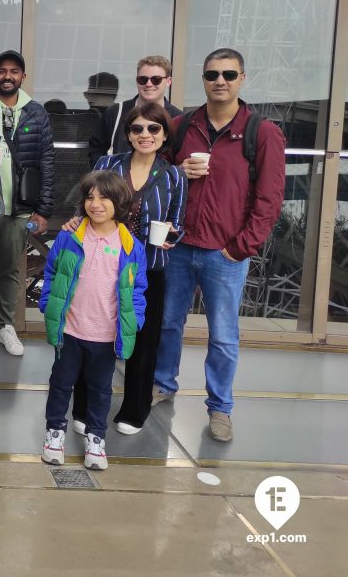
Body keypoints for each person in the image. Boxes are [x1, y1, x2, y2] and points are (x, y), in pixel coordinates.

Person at [153, 48, 285, 442]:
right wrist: (176, 169)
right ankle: (162, 384)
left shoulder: (262, 132)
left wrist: (241, 247)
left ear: (242, 78)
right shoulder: (180, 125)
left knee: (224, 335)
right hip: (178, 246)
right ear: (203, 78)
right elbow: (153, 174)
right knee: (167, 324)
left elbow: (269, 199)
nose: (220, 81)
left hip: (224, 253)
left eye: (229, 74)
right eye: (212, 74)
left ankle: (220, 408)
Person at [67, 103, 187, 435]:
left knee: (144, 340)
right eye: (138, 129)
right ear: (128, 134)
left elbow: (179, 222)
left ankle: (135, 409)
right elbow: (87, 207)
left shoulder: (174, 175)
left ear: (164, 135)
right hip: (102, 265)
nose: (145, 135)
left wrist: (172, 235)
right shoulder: (108, 164)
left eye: (153, 129)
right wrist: (77, 221)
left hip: (150, 267)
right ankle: (83, 406)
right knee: (94, 336)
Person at [40, 171, 147, 471]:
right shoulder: (69, 237)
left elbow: (138, 290)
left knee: (101, 390)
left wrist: (134, 321)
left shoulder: (130, 246)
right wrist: (48, 305)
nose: (96, 204)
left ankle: (96, 438)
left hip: (105, 335)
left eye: (104, 198)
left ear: (120, 203)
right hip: (70, 331)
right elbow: (51, 273)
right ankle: (54, 433)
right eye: (90, 197)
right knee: (61, 384)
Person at [0, 50, 54, 356]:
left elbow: (46, 161)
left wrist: (42, 209)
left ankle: (6, 326)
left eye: (14, 71)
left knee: (9, 270)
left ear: (23, 77)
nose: (8, 76)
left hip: (18, 207)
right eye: (2, 71)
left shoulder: (36, 112)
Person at [87, 55, 183, 168]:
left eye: (156, 79)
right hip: (117, 183)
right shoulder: (116, 112)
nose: (148, 84)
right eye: (143, 79)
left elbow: (180, 156)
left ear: (168, 81)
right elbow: (96, 148)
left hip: (160, 184)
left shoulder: (179, 118)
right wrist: (105, 176)